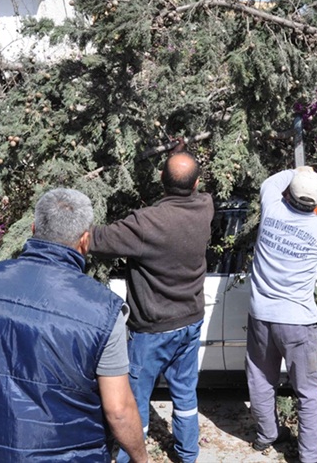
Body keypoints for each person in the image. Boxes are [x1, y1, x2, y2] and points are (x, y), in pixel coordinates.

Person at [0, 188, 148, 463]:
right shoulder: (103, 310)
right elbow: (118, 410)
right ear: (85, 240)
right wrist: (142, 458)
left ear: (34, 228)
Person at [89, 150, 214, 463]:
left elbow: (97, 240)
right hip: (190, 320)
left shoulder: (147, 223)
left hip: (152, 330)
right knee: (185, 393)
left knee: (134, 401)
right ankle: (188, 454)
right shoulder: (206, 207)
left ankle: (131, 458)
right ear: (198, 183)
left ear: (161, 180)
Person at [246, 166, 317, 463]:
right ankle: (310, 456)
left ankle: (266, 435)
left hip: (261, 315)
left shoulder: (271, 209)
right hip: (298, 322)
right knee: (308, 390)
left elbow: (270, 182)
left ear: (287, 195)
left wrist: (298, 170)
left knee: (260, 377)